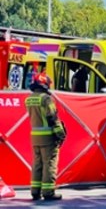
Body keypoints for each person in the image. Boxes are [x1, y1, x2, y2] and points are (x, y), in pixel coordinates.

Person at [25, 72, 66, 201]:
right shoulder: (46, 99)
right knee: (49, 163)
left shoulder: (29, 99)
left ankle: (35, 191)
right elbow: (52, 117)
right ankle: (48, 192)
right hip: (48, 137)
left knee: (37, 164)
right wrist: (60, 133)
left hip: (35, 137)